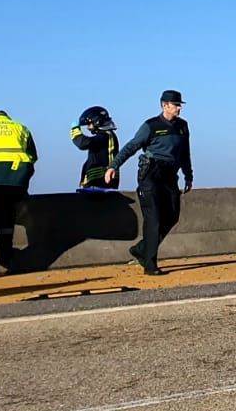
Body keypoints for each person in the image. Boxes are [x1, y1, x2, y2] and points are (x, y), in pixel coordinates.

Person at [105, 90, 193, 275]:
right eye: (175, 105)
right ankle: (150, 263)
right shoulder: (151, 126)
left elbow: (185, 153)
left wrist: (188, 175)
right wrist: (114, 166)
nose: (179, 108)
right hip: (151, 174)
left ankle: (142, 249)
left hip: (170, 174)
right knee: (153, 219)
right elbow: (131, 146)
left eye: (179, 105)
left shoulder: (183, 126)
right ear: (164, 105)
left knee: (172, 216)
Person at [0, 110, 37, 274]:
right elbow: (33, 156)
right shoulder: (21, 128)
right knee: (7, 216)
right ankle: (5, 256)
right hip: (15, 182)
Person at [70, 106, 119, 189]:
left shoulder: (105, 136)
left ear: (97, 121)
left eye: (89, 124)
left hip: (100, 185)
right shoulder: (107, 136)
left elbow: (83, 143)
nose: (88, 127)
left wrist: (75, 130)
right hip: (99, 185)